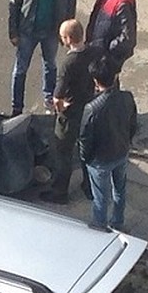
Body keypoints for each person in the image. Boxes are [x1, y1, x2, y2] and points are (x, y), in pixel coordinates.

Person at [8, 0, 77, 116]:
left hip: (51, 31)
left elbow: (71, 1)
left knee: (50, 65)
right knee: (20, 69)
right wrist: (13, 32)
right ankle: (17, 107)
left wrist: (66, 30)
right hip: (27, 31)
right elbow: (15, 2)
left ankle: (49, 100)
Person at [44, 19, 104, 203]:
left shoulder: (69, 63)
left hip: (71, 114)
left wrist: (60, 109)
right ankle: (89, 187)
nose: (61, 40)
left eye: (62, 37)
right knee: (87, 150)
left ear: (69, 38)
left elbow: (57, 96)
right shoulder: (94, 52)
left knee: (63, 152)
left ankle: (59, 192)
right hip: (91, 109)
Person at [77, 56, 137, 231]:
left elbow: (85, 138)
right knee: (120, 190)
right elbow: (132, 124)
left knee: (100, 196)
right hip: (121, 151)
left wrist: (86, 158)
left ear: (96, 80)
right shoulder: (127, 97)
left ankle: (99, 225)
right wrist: (127, 142)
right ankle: (118, 222)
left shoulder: (92, 108)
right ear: (115, 77)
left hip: (100, 160)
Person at [84, 0, 137, 71]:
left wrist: (107, 47)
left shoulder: (122, 5)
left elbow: (127, 38)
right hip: (99, 47)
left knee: (107, 80)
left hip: (108, 55)